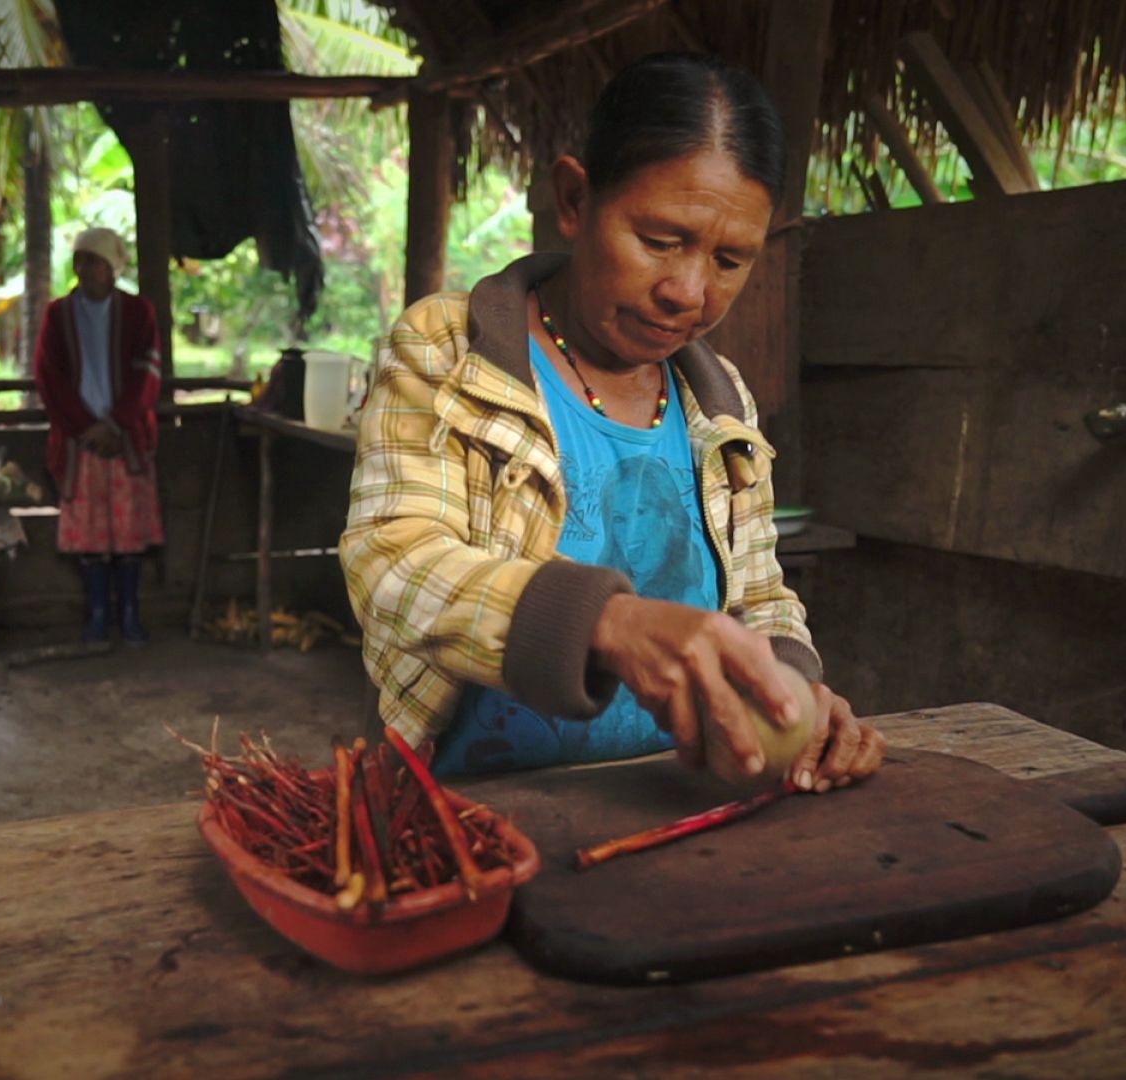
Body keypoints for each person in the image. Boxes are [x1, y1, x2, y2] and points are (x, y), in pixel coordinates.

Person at [341, 52, 886, 790]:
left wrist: (790, 688)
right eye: (661, 240)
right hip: (474, 808)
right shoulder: (448, 350)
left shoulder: (719, 402)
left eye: (731, 259)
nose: (688, 292)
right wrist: (609, 623)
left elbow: (758, 594)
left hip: (671, 804)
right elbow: (393, 565)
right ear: (574, 199)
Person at [33, 226, 165, 644]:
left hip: (124, 438)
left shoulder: (138, 312)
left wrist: (116, 424)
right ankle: (96, 616)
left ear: (112, 268)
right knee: (91, 537)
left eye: (93, 261)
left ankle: (129, 615)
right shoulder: (58, 315)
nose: (84, 269)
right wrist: (86, 427)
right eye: (80, 260)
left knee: (128, 536)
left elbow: (148, 372)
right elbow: (48, 377)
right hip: (81, 442)